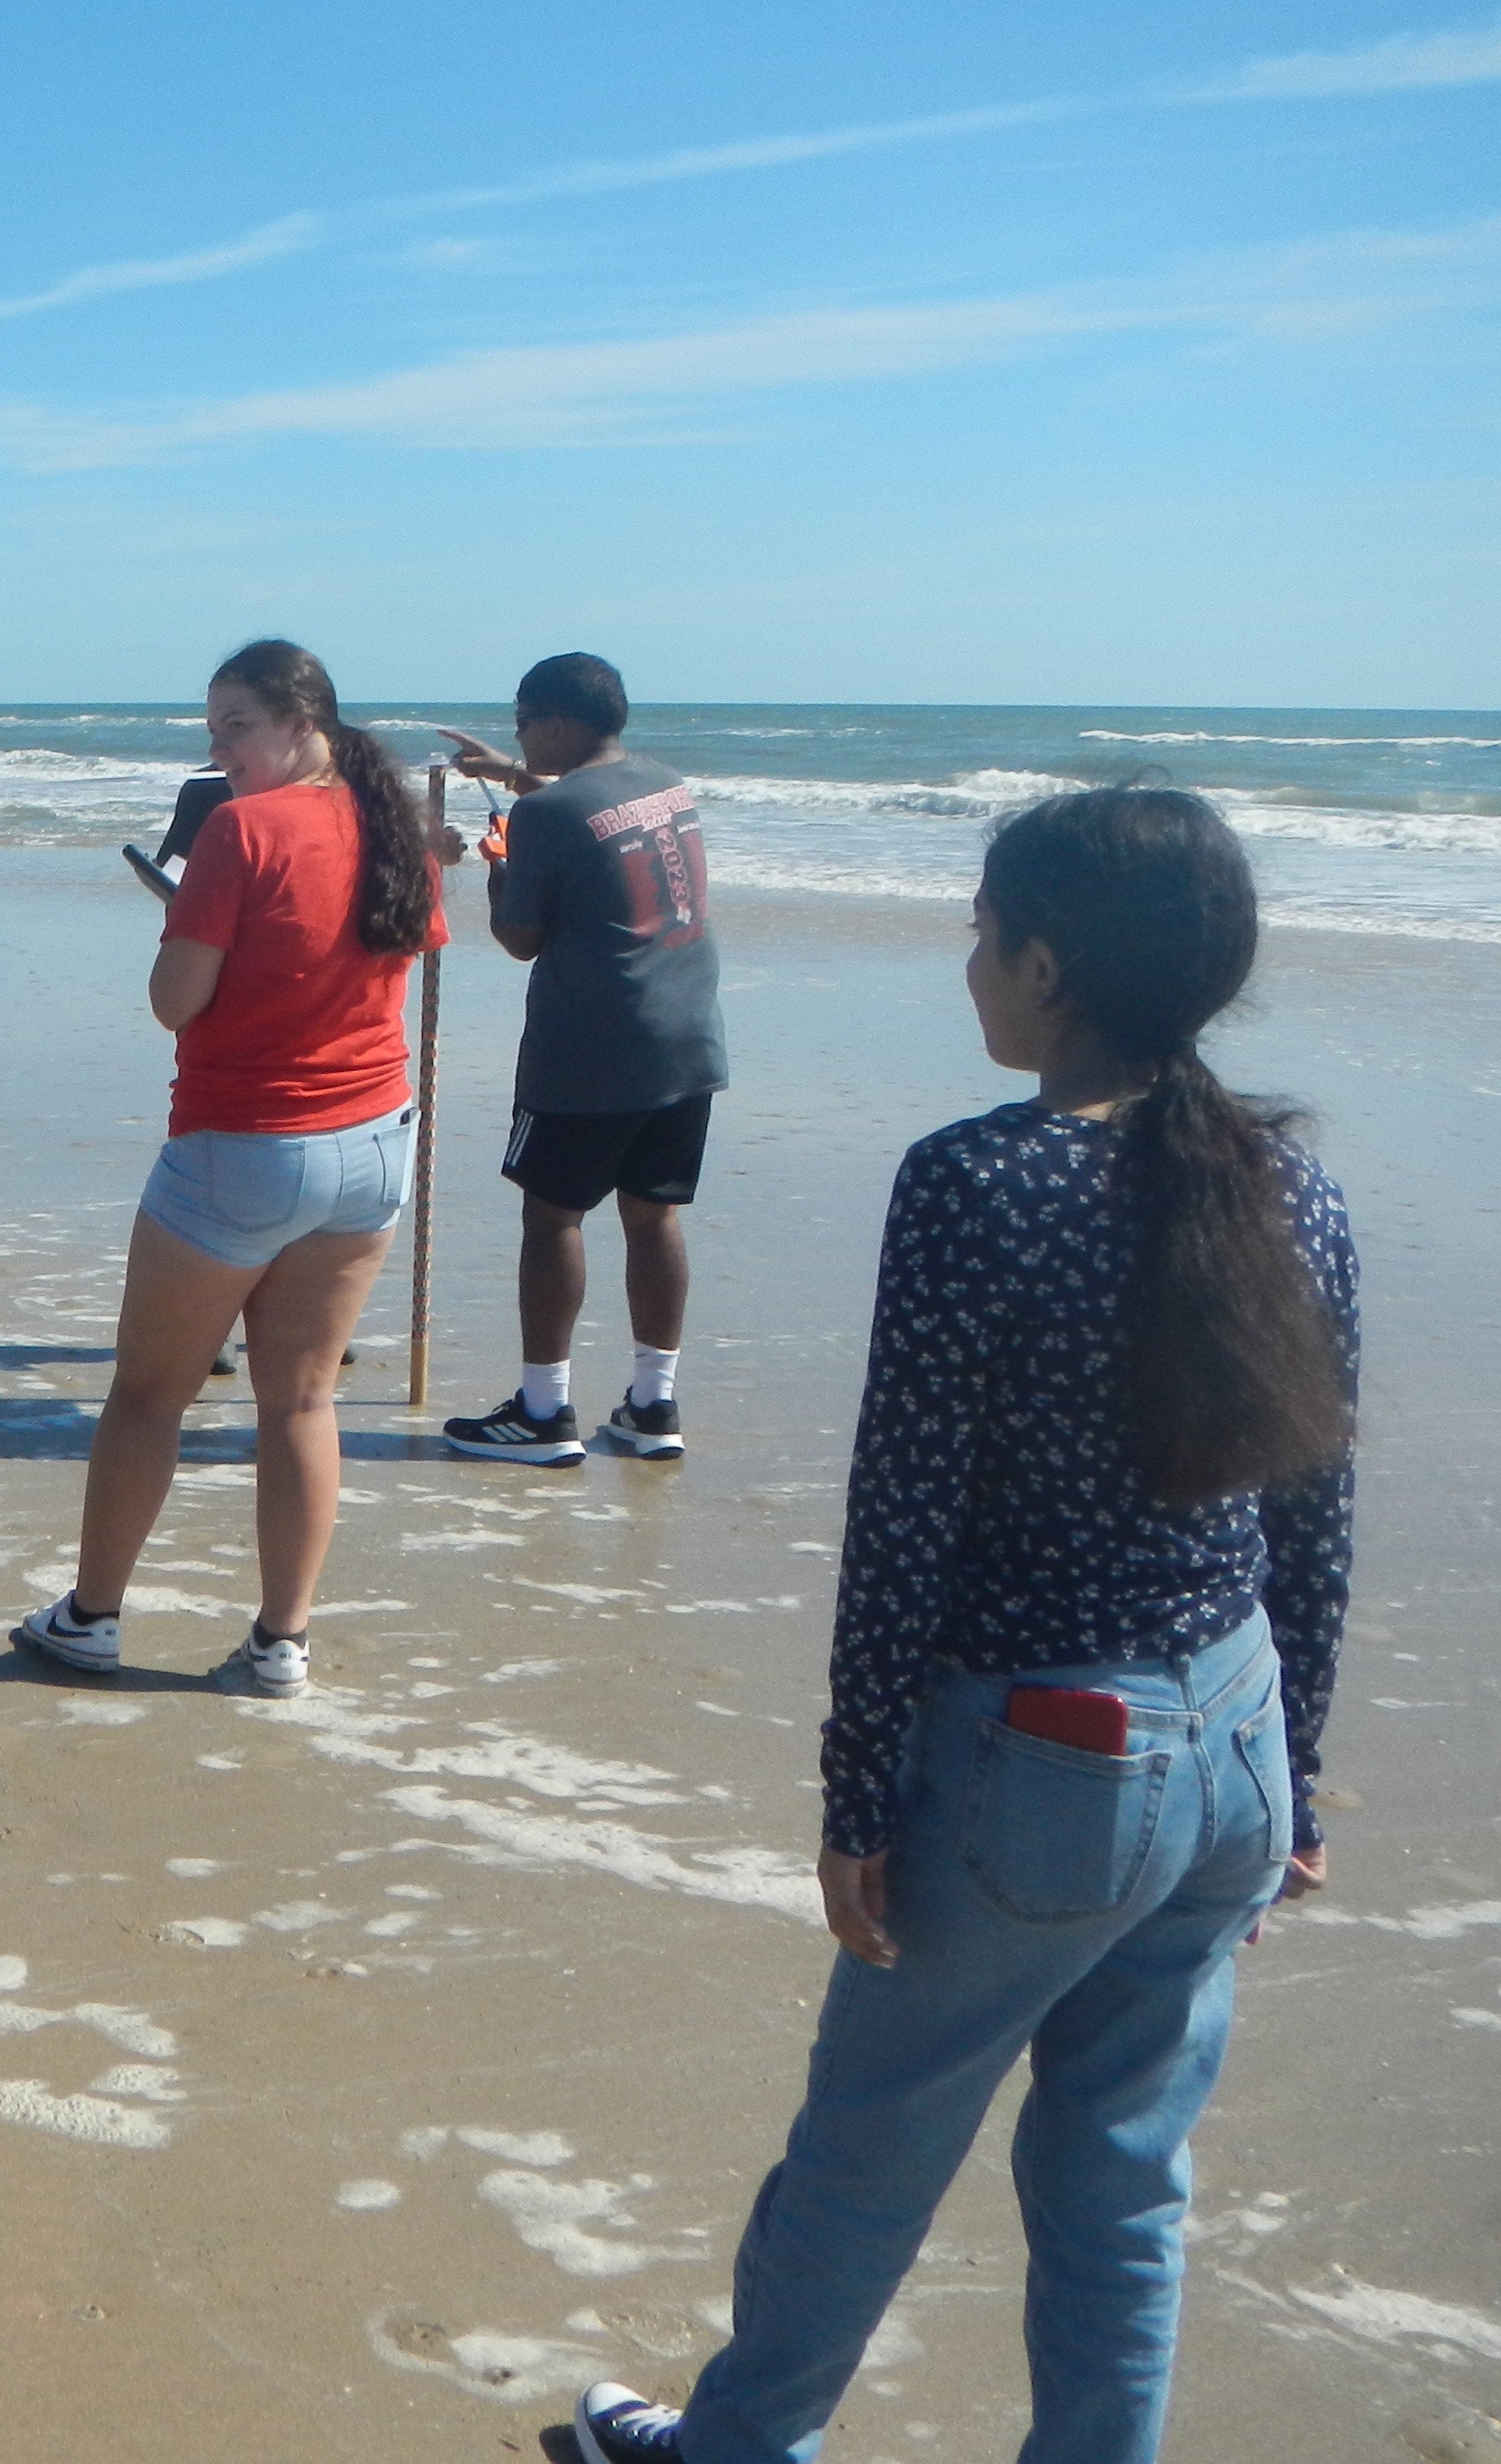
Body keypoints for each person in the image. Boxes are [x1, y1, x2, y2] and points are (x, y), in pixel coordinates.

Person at [568, 786, 1355, 2464]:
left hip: (1045, 1762)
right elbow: (1312, 1503)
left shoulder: (979, 1182)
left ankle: (736, 2448)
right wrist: (1294, 1773)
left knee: (867, 2150)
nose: (971, 961)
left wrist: (855, 1796)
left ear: (1047, 968)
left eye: (984, 933)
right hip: (1229, 1739)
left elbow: (905, 1518)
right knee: (1123, 2178)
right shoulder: (1290, 1183)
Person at [12, 640, 460, 1696]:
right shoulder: (392, 824)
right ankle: (280, 1642)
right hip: (372, 1143)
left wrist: (190, 921)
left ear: (305, 724)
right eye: (212, 730)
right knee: (302, 1402)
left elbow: (176, 1001)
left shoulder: (241, 830)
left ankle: (91, 1618)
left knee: (148, 1394)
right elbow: (396, 951)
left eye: (237, 727)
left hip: (245, 1144)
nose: (219, 751)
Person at [434, 652, 726, 1463]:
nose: (520, 733)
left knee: (553, 1216)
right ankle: (653, 1403)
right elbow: (595, 818)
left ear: (559, 722)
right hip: (686, 1034)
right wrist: (513, 776)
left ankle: (542, 1411)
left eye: (524, 721)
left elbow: (520, 938)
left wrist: (501, 873)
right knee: (653, 1213)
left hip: (591, 1047)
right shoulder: (663, 783)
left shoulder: (545, 816)